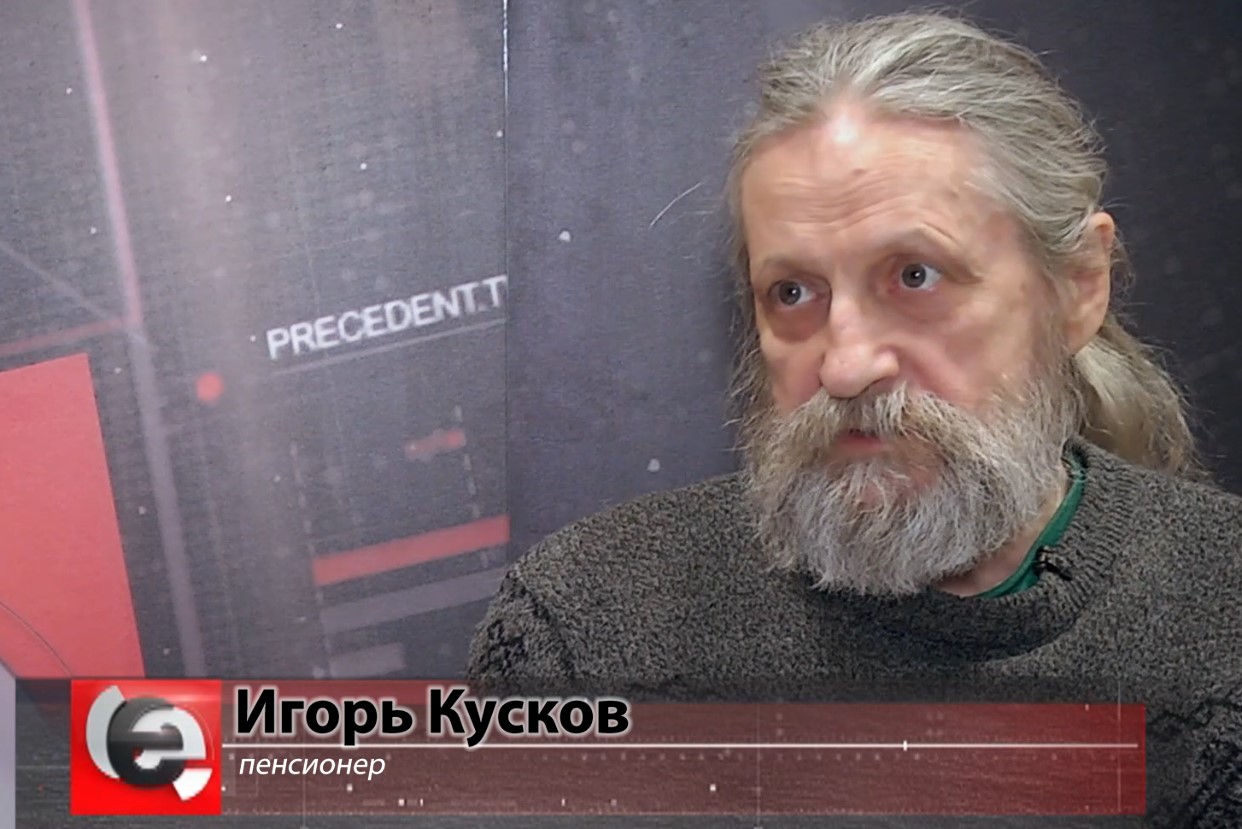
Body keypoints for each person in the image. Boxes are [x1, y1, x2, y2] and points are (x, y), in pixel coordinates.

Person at [468, 11, 1241, 826]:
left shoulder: (1221, 608)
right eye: (793, 292)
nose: (844, 365)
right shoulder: (587, 631)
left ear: (1078, 287)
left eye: (915, 275)